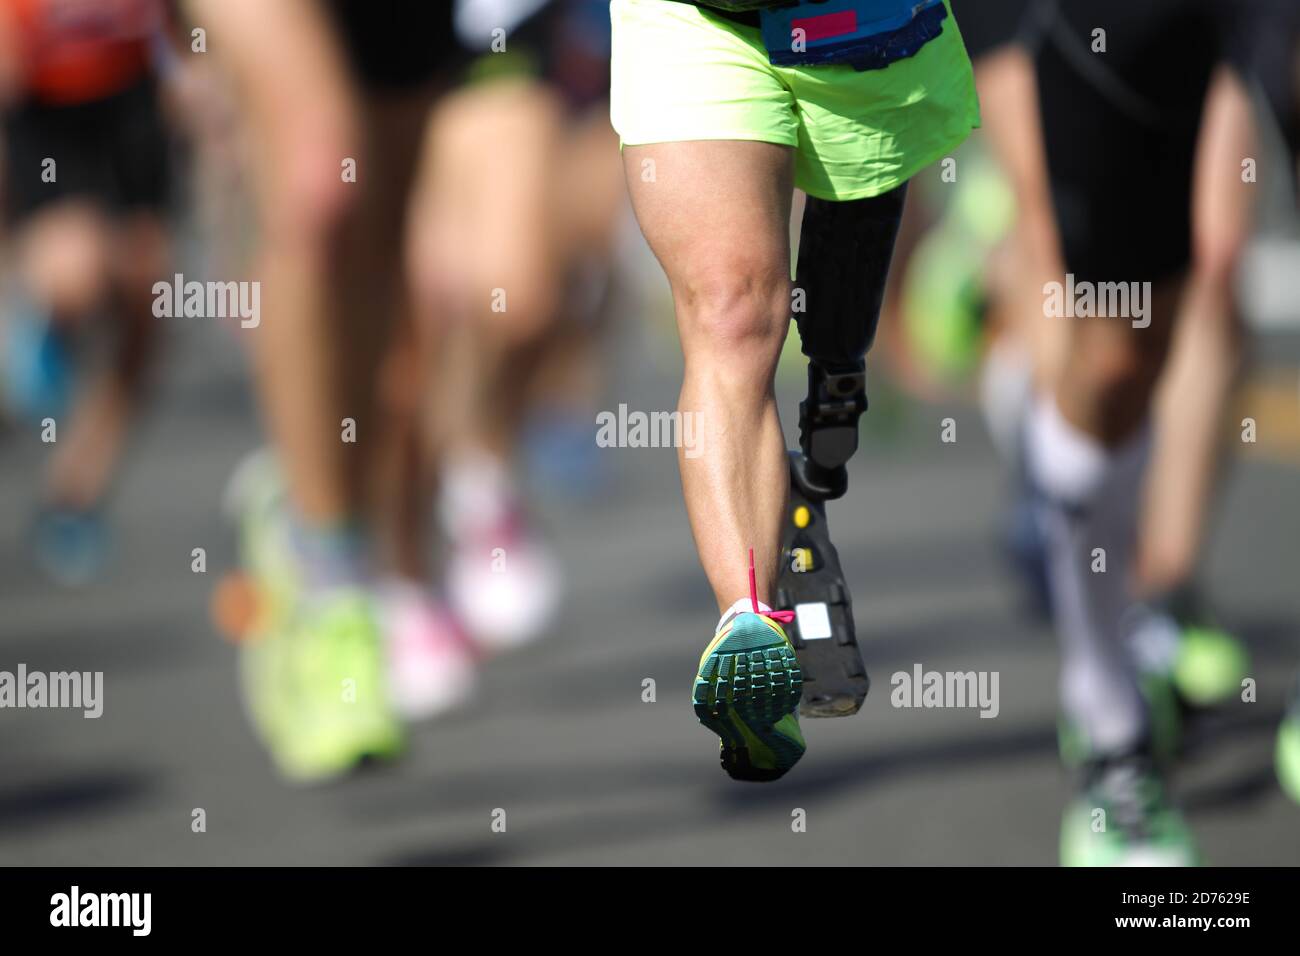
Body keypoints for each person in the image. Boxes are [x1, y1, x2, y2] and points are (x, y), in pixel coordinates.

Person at [611, 0, 978, 779]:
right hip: (696, 19)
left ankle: (819, 448)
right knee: (732, 311)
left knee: (840, 337)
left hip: (857, 20)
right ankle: (750, 622)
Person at [0, 0, 177, 585]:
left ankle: (75, 492)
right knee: (77, 268)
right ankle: (39, 324)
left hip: (132, 99)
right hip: (43, 102)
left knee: (150, 299)